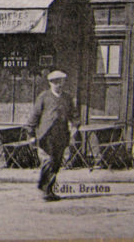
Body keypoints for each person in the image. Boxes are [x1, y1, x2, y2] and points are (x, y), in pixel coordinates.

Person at [28, 70, 80, 202]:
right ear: (50, 83)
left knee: (56, 163)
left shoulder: (67, 98)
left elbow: (74, 114)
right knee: (48, 161)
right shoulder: (44, 97)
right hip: (46, 135)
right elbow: (35, 116)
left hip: (61, 134)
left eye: (61, 82)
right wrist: (31, 134)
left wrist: (75, 125)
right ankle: (45, 190)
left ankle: (48, 189)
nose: (59, 85)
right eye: (55, 82)